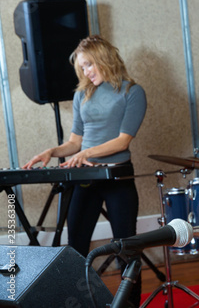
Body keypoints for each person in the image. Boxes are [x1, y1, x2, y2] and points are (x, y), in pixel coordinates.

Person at [23, 35, 147, 307]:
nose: (86, 72)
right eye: (82, 68)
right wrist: (52, 152)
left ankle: (130, 305)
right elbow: (75, 142)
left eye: (90, 65)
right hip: (85, 178)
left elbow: (123, 141)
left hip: (117, 176)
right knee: (76, 248)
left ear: (105, 59)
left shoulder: (132, 92)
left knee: (126, 249)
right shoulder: (82, 94)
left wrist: (86, 153)